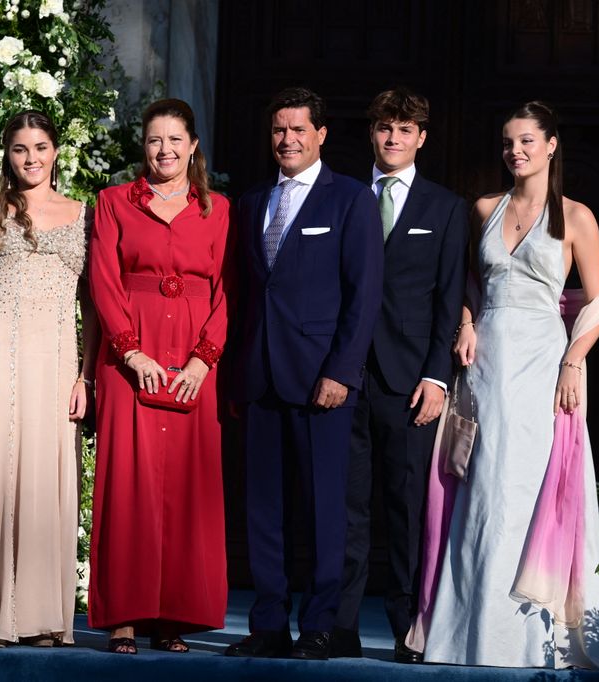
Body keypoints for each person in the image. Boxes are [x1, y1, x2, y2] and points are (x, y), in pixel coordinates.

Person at [408, 101, 599, 670]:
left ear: (551, 145)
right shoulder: (484, 207)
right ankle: (466, 634)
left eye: (527, 141)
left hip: (542, 368)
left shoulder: (577, 216)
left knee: (527, 492)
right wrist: (465, 322)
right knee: (480, 491)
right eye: (508, 143)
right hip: (484, 368)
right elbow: (466, 286)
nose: (516, 152)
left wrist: (574, 359)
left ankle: (531, 641)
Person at [225, 87, 383, 661]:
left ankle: (321, 624)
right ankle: (267, 625)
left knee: (323, 509)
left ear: (320, 134)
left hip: (323, 380)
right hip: (261, 376)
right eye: (277, 131)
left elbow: (363, 296)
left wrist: (342, 370)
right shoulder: (249, 203)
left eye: (297, 130)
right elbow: (245, 294)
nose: (286, 140)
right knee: (264, 509)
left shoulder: (351, 200)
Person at [0, 110, 98, 647]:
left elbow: (93, 304)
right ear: (6, 155)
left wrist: (86, 376)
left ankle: (38, 618)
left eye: (40, 147)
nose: (31, 159)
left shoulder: (85, 213)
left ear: (57, 151)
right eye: (19, 149)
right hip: (0, 347)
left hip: (57, 354)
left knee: (46, 475)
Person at [88, 98, 232, 655]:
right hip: (133, 356)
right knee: (128, 481)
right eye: (154, 140)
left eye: (175, 140)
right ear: (142, 147)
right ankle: (124, 616)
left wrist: (203, 359)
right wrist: (131, 353)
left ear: (193, 145)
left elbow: (228, 290)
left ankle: (174, 616)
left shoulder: (216, 209)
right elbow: (103, 281)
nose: (165, 150)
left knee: (188, 487)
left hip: (196, 356)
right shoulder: (112, 203)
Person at [332, 88, 468, 664]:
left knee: (406, 509)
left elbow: (449, 298)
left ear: (422, 137)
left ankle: (409, 629)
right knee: (344, 507)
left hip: (409, 380)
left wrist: (438, 378)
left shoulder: (445, 208)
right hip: (342, 376)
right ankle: (337, 628)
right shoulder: (339, 196)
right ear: (372, 134)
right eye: (385, 128)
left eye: (405, 129)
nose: (393, 139)